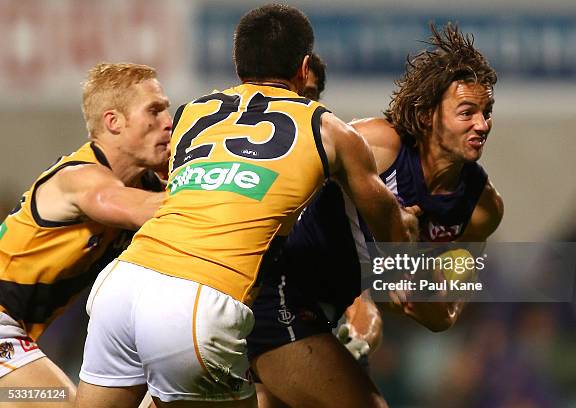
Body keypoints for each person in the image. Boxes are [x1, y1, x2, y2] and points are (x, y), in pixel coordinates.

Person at [76, 4, 419, 408]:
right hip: (199, 300)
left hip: (124, 283)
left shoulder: (192, 113)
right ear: (305, 67)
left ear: (238, 67)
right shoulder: (329, 129)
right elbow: (389, 227)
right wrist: (407, 226)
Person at [247, 22, 504, 408]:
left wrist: (417, 286)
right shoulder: (377, 144)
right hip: (279, 295)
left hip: (327, 319)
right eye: (467, 112)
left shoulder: (483, 209)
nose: (482, 125)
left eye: (487, 112)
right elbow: (280, 189)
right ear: (427, 115)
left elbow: (446, 314)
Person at [0, 62, 171, 405]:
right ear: (113, 122)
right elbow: (130, 205)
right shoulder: (78, 178)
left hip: (19, 331)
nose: (168, 122)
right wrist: (220, 183)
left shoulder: (148, 184)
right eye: (154, 111)